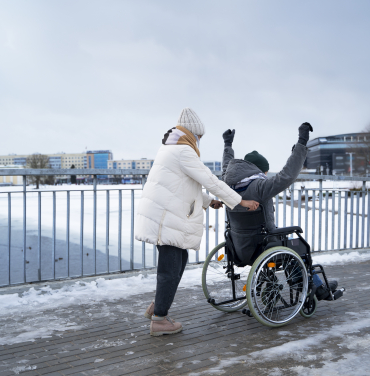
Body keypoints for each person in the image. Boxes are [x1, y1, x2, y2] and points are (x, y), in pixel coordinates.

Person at [134, 107, 260, 336]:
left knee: (176, 261)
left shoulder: (170, 148)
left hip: (165, 214)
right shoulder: (183, 151)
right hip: (167, 217)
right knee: (170, 267)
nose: (199, 141)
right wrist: (240, 201)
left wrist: (207, 201)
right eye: (199, 136)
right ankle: (160, 320)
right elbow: (209, 179)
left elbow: (183, 185)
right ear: (192, 133)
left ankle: (158, 307)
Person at [220, 123, 312, 265]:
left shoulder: (228, 184)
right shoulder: (259, 187)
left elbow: (226, 166)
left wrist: (228, 144)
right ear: (259, 171)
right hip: (262, 248)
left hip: (239, 248)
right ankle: (313, 285)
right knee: (298, 246)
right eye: (265, 172)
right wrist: (302, 142)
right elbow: (287, 176)